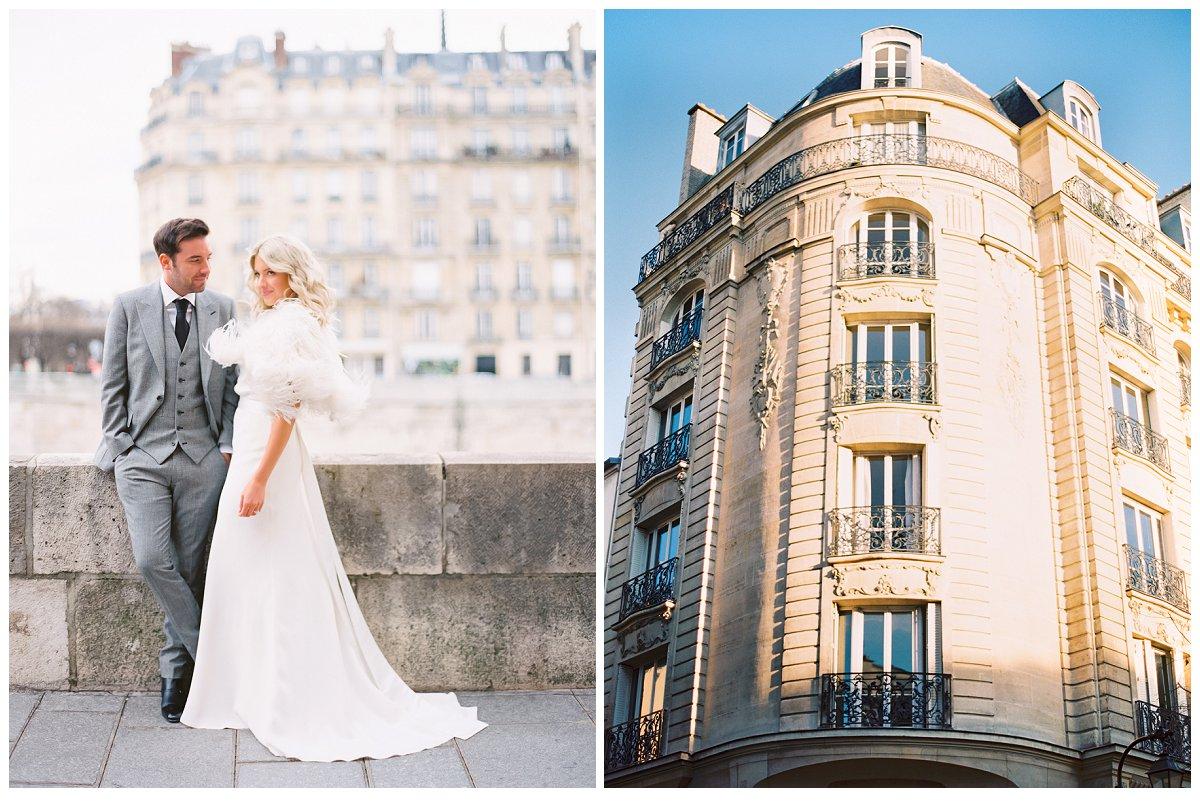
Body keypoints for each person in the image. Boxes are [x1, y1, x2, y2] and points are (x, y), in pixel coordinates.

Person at [180, 234, 485, 761]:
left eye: (270, 273)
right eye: (256, 273)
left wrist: (257, 479)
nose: (261, 283)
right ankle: (251, 690)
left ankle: (276, 694)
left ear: (292, 275)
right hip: (255, 448)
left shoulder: (292, 324)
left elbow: (286, 409)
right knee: (249, 569)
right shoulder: (279, 321)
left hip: (266, 457)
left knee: (272, 571)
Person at [94, 217, 239, 722]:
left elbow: (235, 389)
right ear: (167, 262)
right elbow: (112, 383)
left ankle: (175, 677)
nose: (206, 267)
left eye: (208, 257)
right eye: (196, 259)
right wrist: (122, 445)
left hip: (204, 459)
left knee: (192, 567)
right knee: (154, 559)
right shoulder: (129, 307)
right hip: (144, 460)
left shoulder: (223, 308)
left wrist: (225, 443)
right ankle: (213, 659)